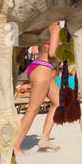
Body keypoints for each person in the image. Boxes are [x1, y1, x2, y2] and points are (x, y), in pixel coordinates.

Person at [13, 23, 63, 155]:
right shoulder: (55, 27)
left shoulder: (44, 26)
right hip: (43, 69)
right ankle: (15, 145)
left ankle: (44, 139)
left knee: (58, 102)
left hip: (40, 67)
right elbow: (52, 53)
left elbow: (35, 50)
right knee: (32, 110)